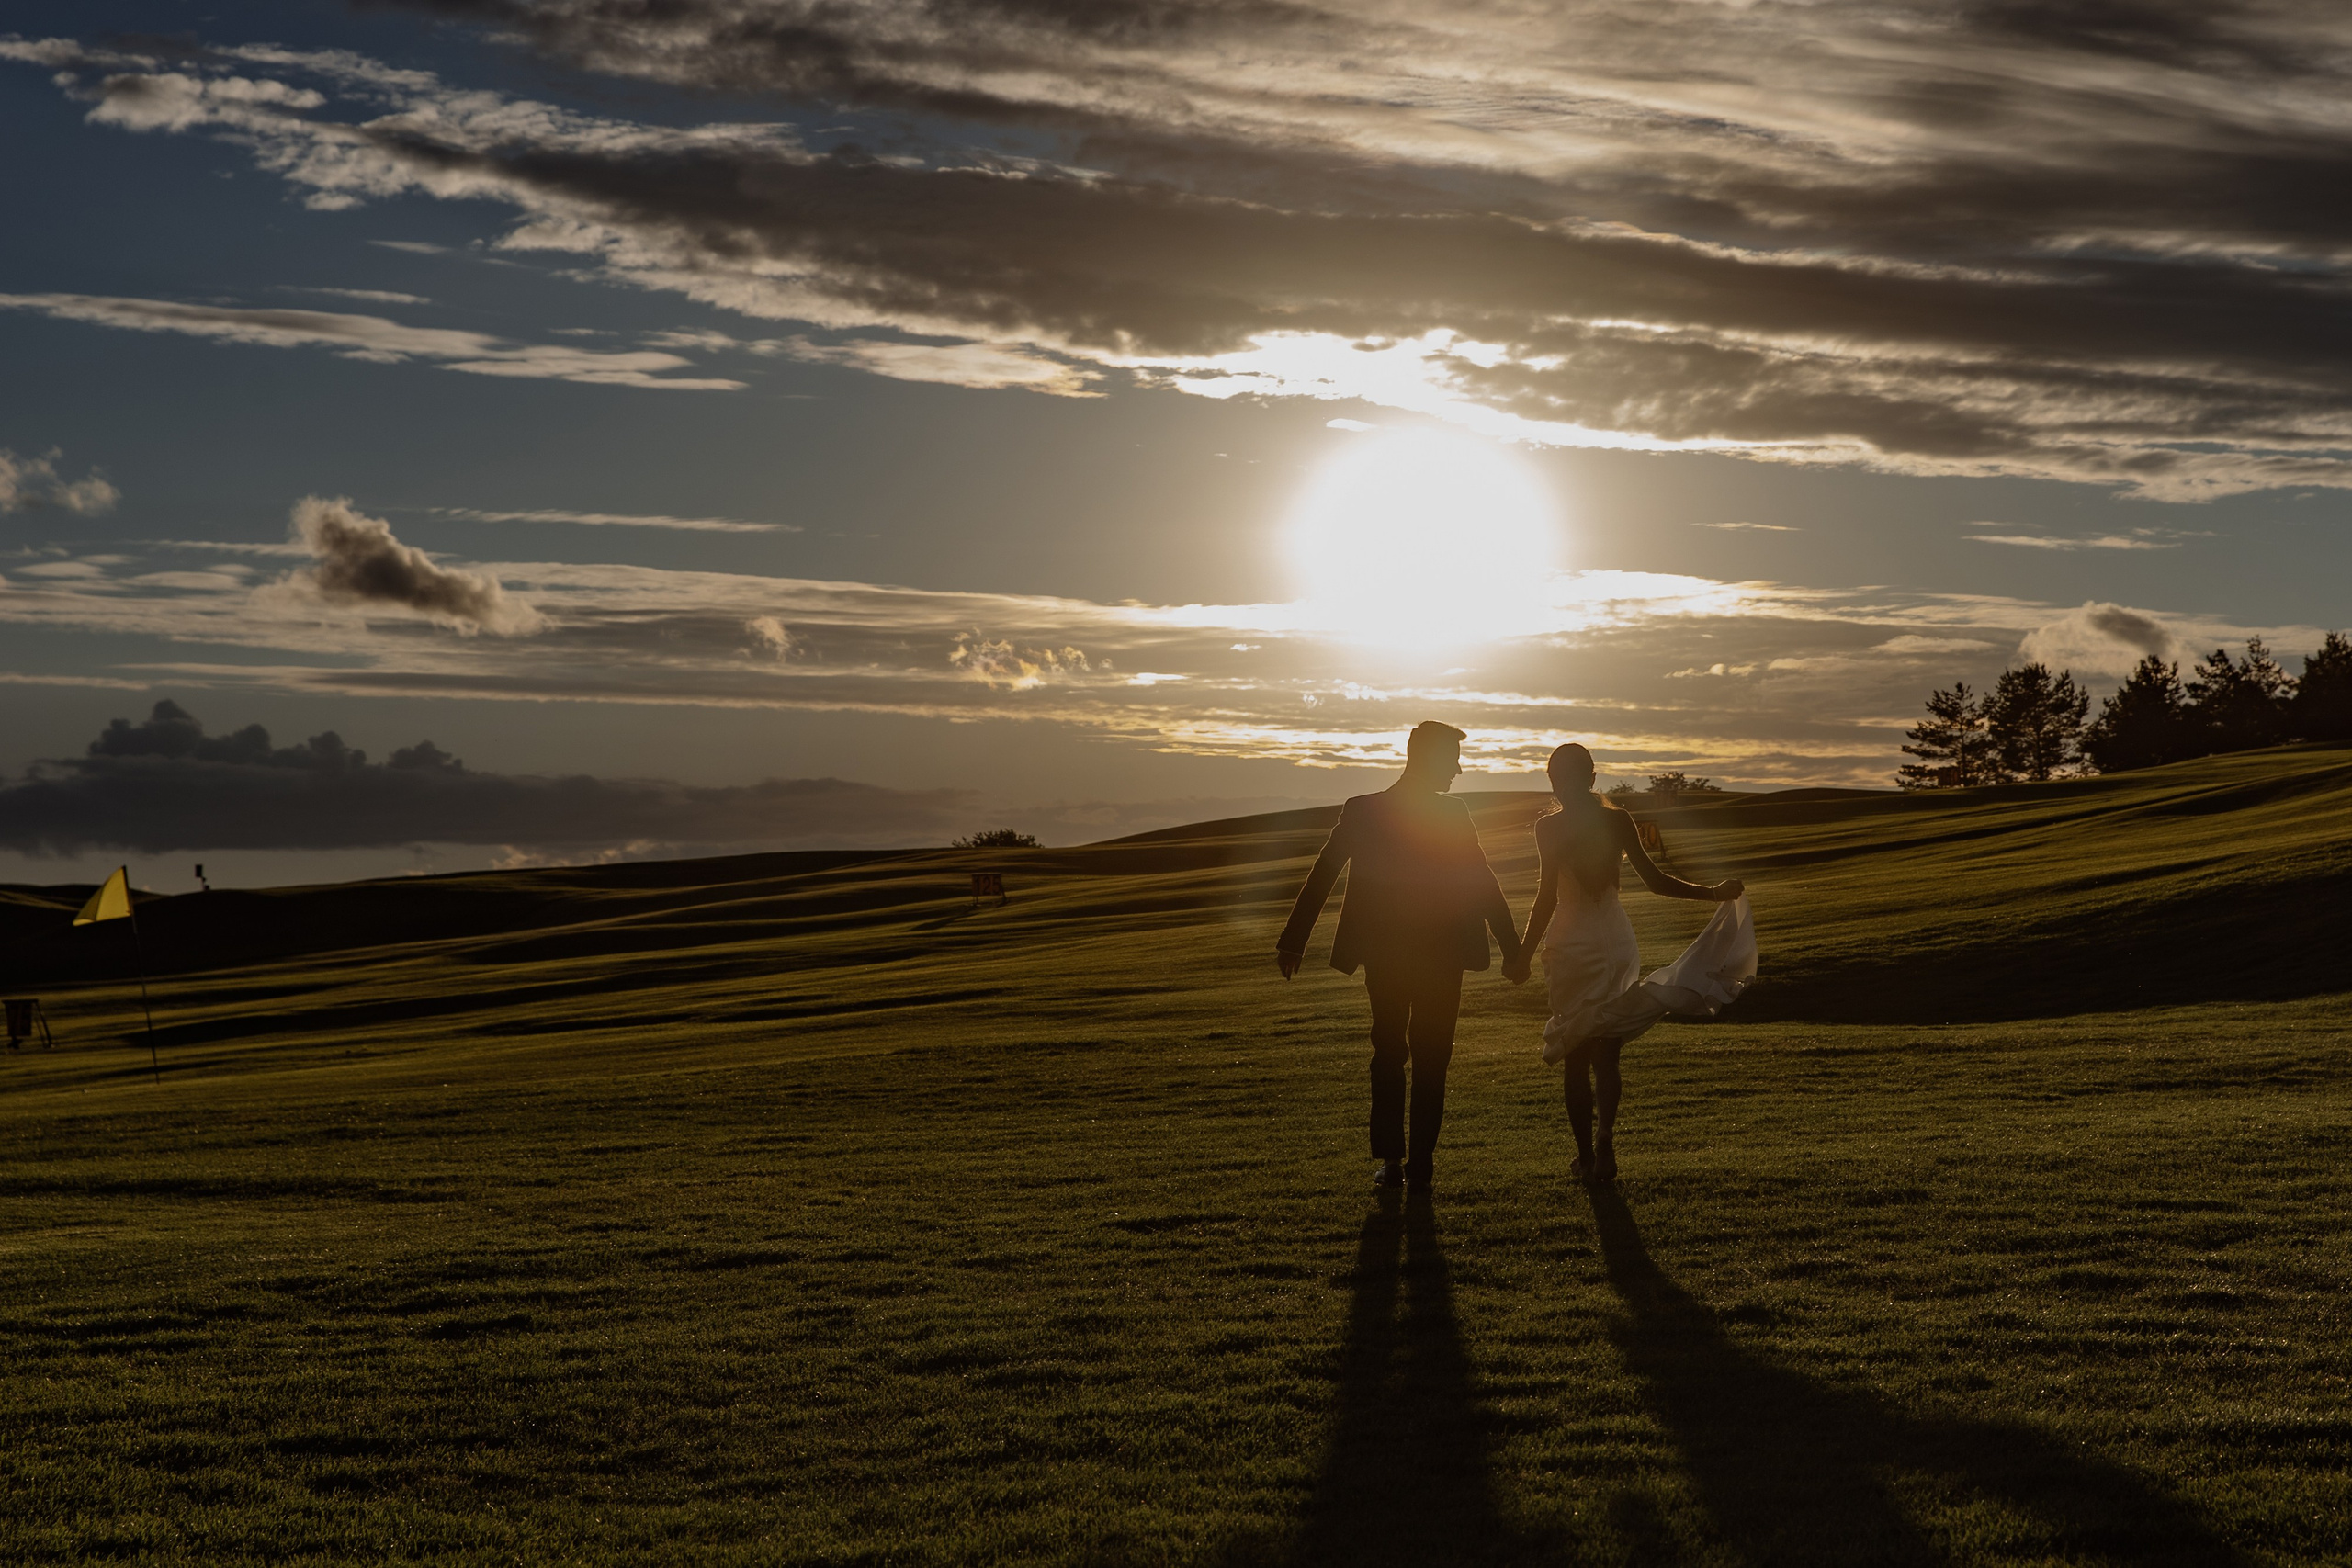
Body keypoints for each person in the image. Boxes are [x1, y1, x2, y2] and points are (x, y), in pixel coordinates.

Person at [1277, 721, 1525, 1194]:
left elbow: (1479, 880)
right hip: (1432, 956)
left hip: (1394, 955)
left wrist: (1293, 942)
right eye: (1452, 757)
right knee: (1425, 1057)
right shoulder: (1419, 811)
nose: (1458, 767)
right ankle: (1416, 1166)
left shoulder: (1372, 810)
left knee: (1392, 1053)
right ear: (1426, 757)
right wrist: (1511, 950)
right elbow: (1482, 881)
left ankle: (1399, 1164)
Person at [1503, 743, 1743, 1184]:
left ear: (1558, 779)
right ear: (1592, 778)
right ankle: (1605, 1141)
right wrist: (1712, 892)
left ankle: (1586, 1159)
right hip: (1614, 939)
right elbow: (1656, 882)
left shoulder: (1548, 827)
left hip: (1572, 941)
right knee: (1607, 1053)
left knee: (1575, 1052)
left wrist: (1521, 954)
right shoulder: (1616, 820)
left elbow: (1546, 897)